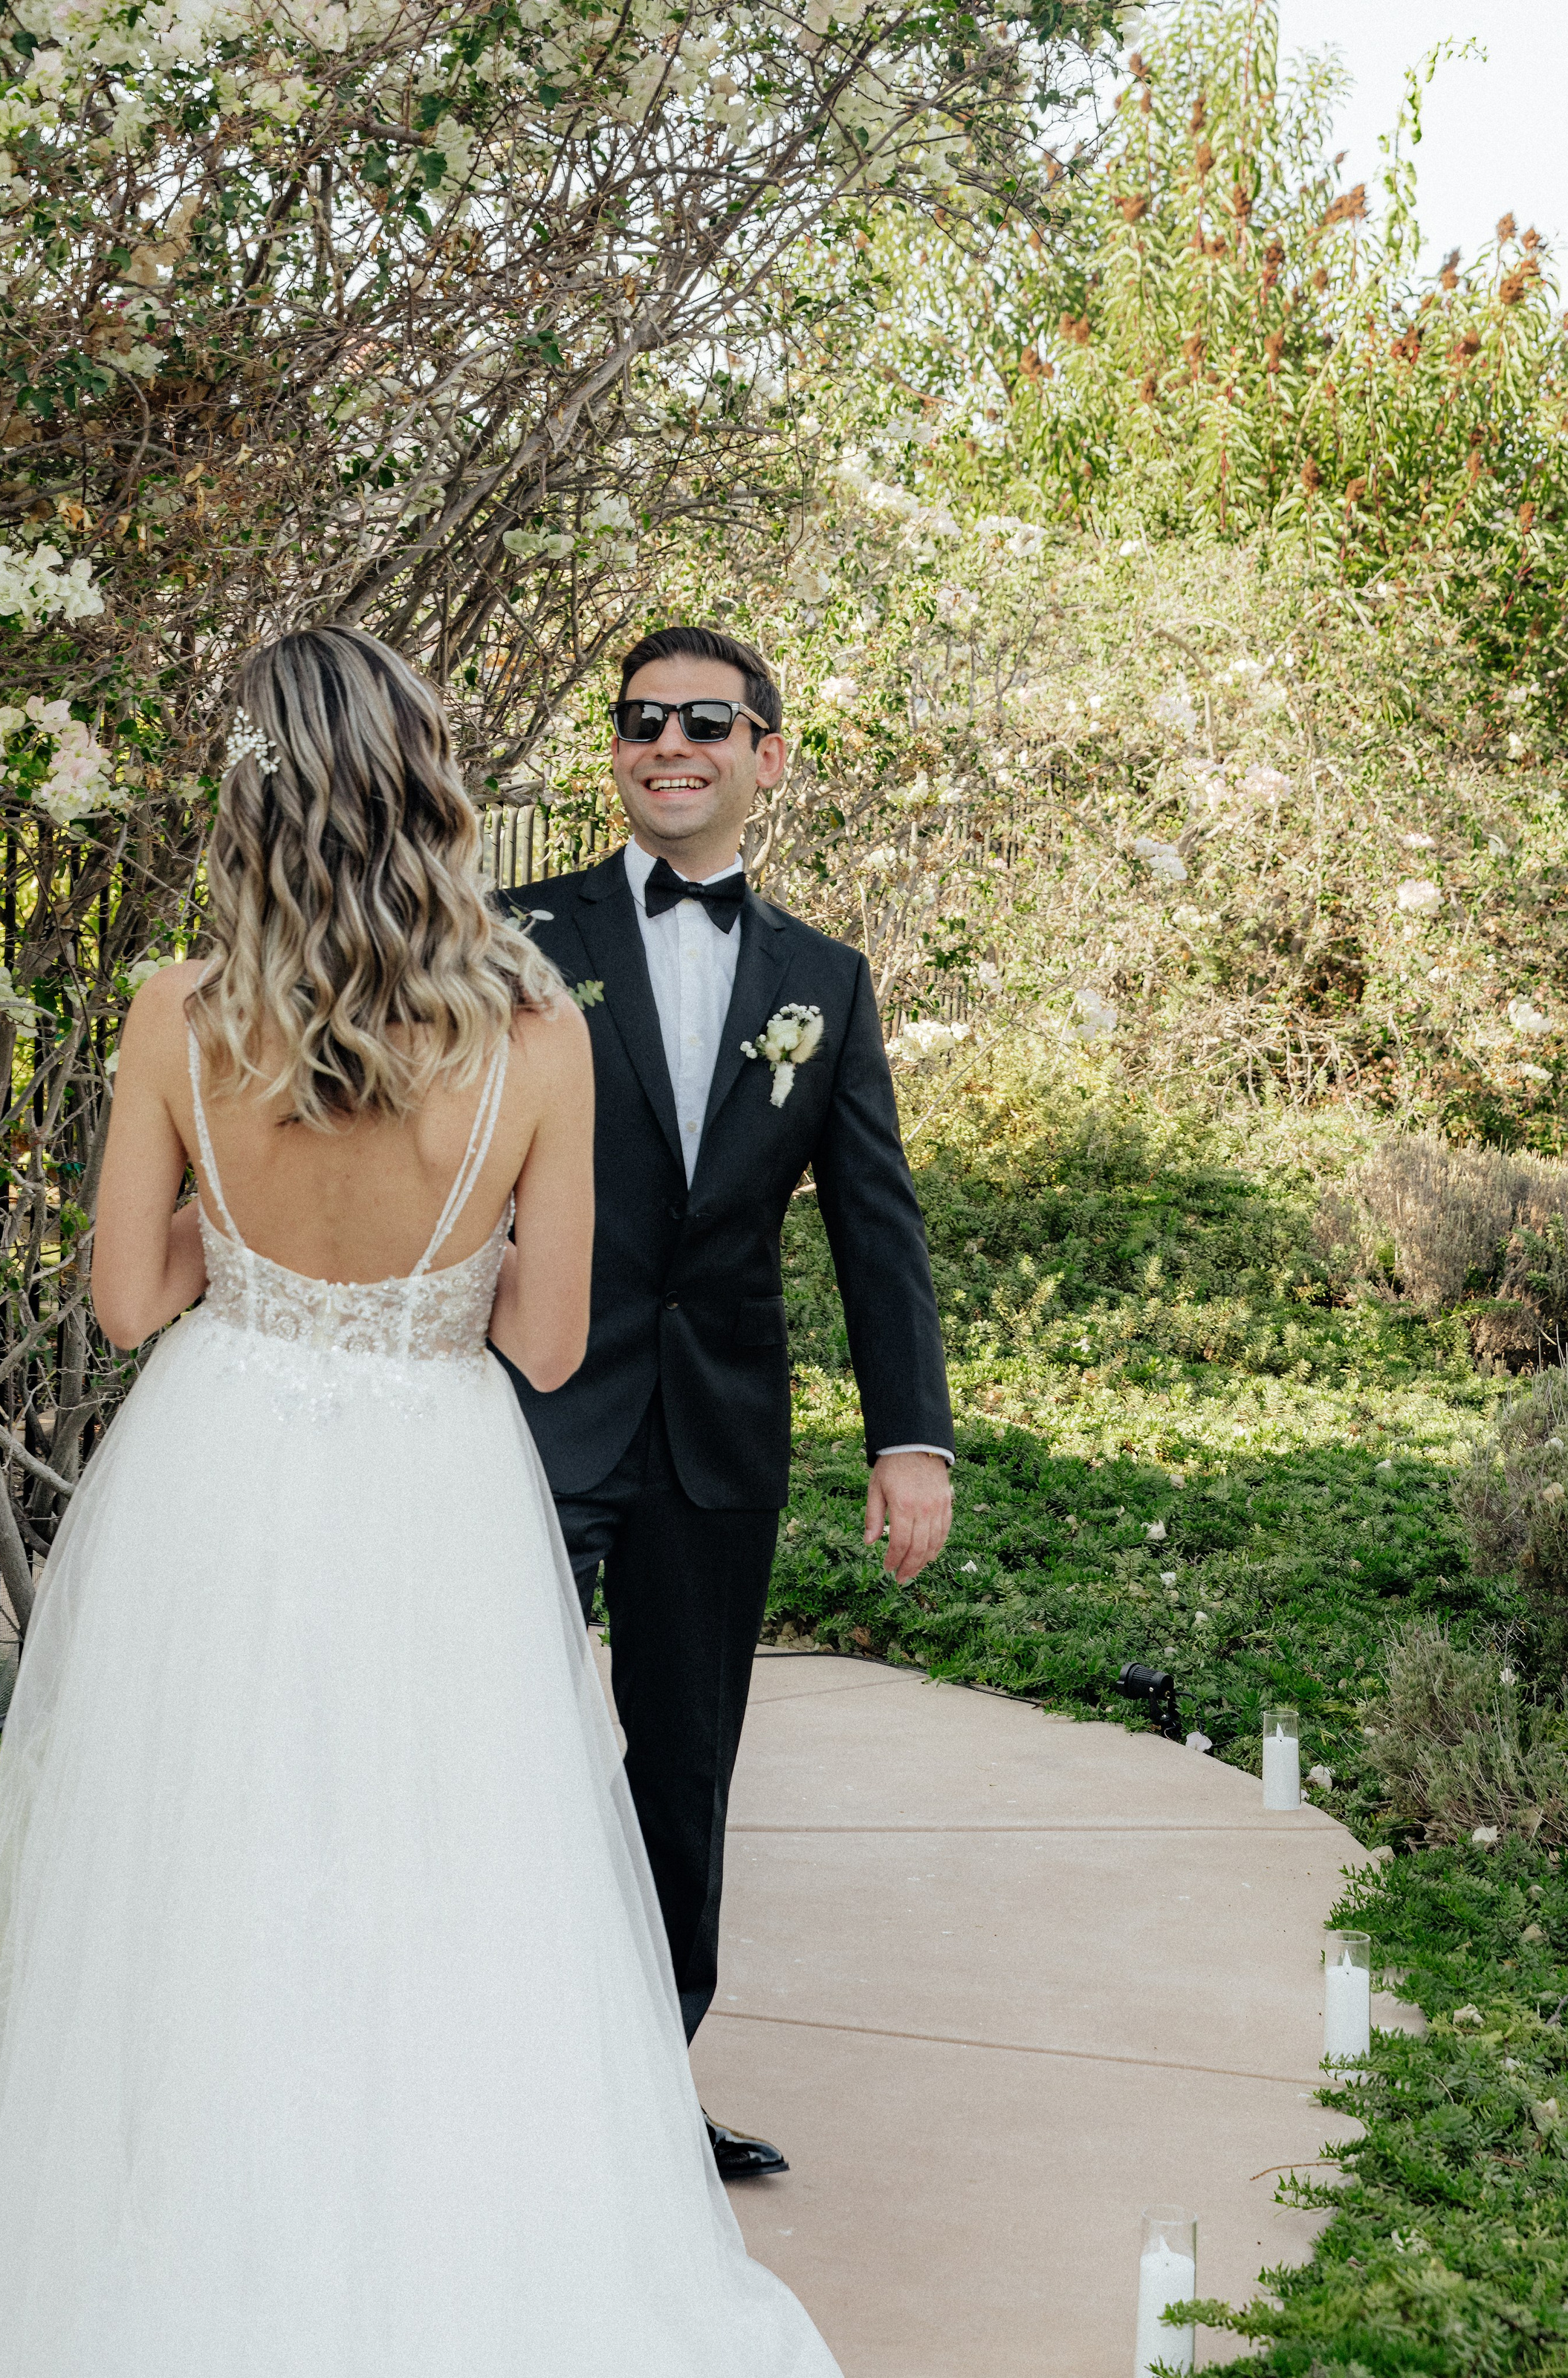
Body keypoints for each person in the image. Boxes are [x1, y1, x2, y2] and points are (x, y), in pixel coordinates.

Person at [0, 626, 843, 2377]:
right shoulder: (535, 1027)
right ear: (430, 789)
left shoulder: (179, 1013)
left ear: (251, 801)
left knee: (214, 1885)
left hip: (223, 1474)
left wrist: (251, 1245)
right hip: (432, 1487)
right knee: (443, 1890)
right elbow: (552, 1341)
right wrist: (423, 1270)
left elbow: (126, 1300)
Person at [505, 623, 956, 2181]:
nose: (667, 743)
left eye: (705, 719)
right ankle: (478, 2063)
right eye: (639, 721)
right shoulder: (506, 935)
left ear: (767, 752)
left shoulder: (821, 981)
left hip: (716, 1434)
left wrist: (910, 1437)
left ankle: (642, 2092)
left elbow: (873, 1223)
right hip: (521, 1413)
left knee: (682, 1765)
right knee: (498, 1740)